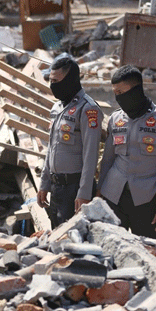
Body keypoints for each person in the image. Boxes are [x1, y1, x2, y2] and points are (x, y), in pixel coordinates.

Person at [97, 65, 156, 239]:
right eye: (115, 93)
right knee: (110, 248)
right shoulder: (116, 119)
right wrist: (100, 194)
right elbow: (108, 159)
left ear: (136, 90)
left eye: (121, 92)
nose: (118, 97)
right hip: (113, 195)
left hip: (146, 199)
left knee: (148, 250)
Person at [37, 56, 103, 228]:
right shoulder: (57, 108)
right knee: (57, 237)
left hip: (74, 189)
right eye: (50, 81)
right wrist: (44, 184)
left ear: (71, 80)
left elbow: (91, 156)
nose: (52, 86)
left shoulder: (88, 109)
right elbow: (50, 149)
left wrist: (84, 193)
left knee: (73, 240)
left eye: (56, 81)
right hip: (56, 187)